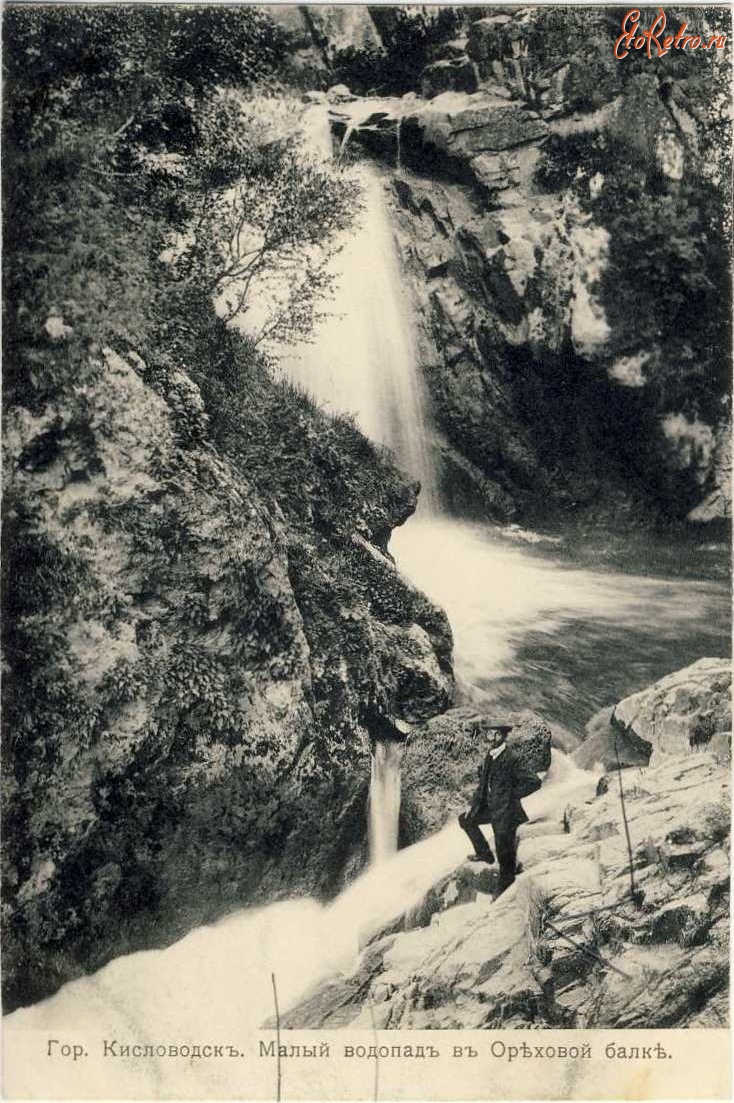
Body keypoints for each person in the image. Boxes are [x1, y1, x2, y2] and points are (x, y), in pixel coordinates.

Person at [458, 721, 542, 894]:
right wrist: (473, 806)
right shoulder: (490, 755)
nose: (492, 737)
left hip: (507, 812)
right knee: (466, 820)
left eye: (496, 734)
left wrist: (510, 796)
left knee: (505, 854)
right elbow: (482, 785)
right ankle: (484, 854)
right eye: (490, 734)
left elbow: (534, 782)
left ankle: (504, 890)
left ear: (503, 736)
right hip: (490, 806)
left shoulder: (512, 758)